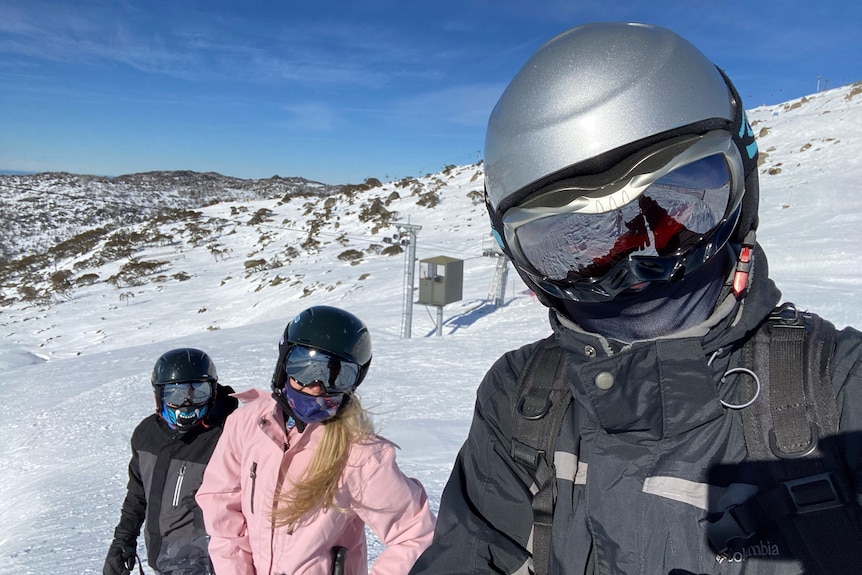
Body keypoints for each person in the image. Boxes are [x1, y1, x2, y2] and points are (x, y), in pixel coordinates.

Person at [409, 22, 862, 575]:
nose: (636, 273)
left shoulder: (838, 392)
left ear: (742, 194)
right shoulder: (523, 399)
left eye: (673, 217)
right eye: (575, 248)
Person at [196, 305, 436, 574]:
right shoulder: (247, 423)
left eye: (337, 375)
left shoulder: (359, 454)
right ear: (284, 364)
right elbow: (221, 506)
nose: (316, 386)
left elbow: (417, 535)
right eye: (305, 367)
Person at [104, 348, 238, 575]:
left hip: (208, 564)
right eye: (175, 394)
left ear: (213, 392)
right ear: (159, 395)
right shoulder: (147, 435)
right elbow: (138, 495)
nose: (187, 402)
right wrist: (123, 541)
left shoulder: (227, 435)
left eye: (198, 392)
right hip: (163, 560)